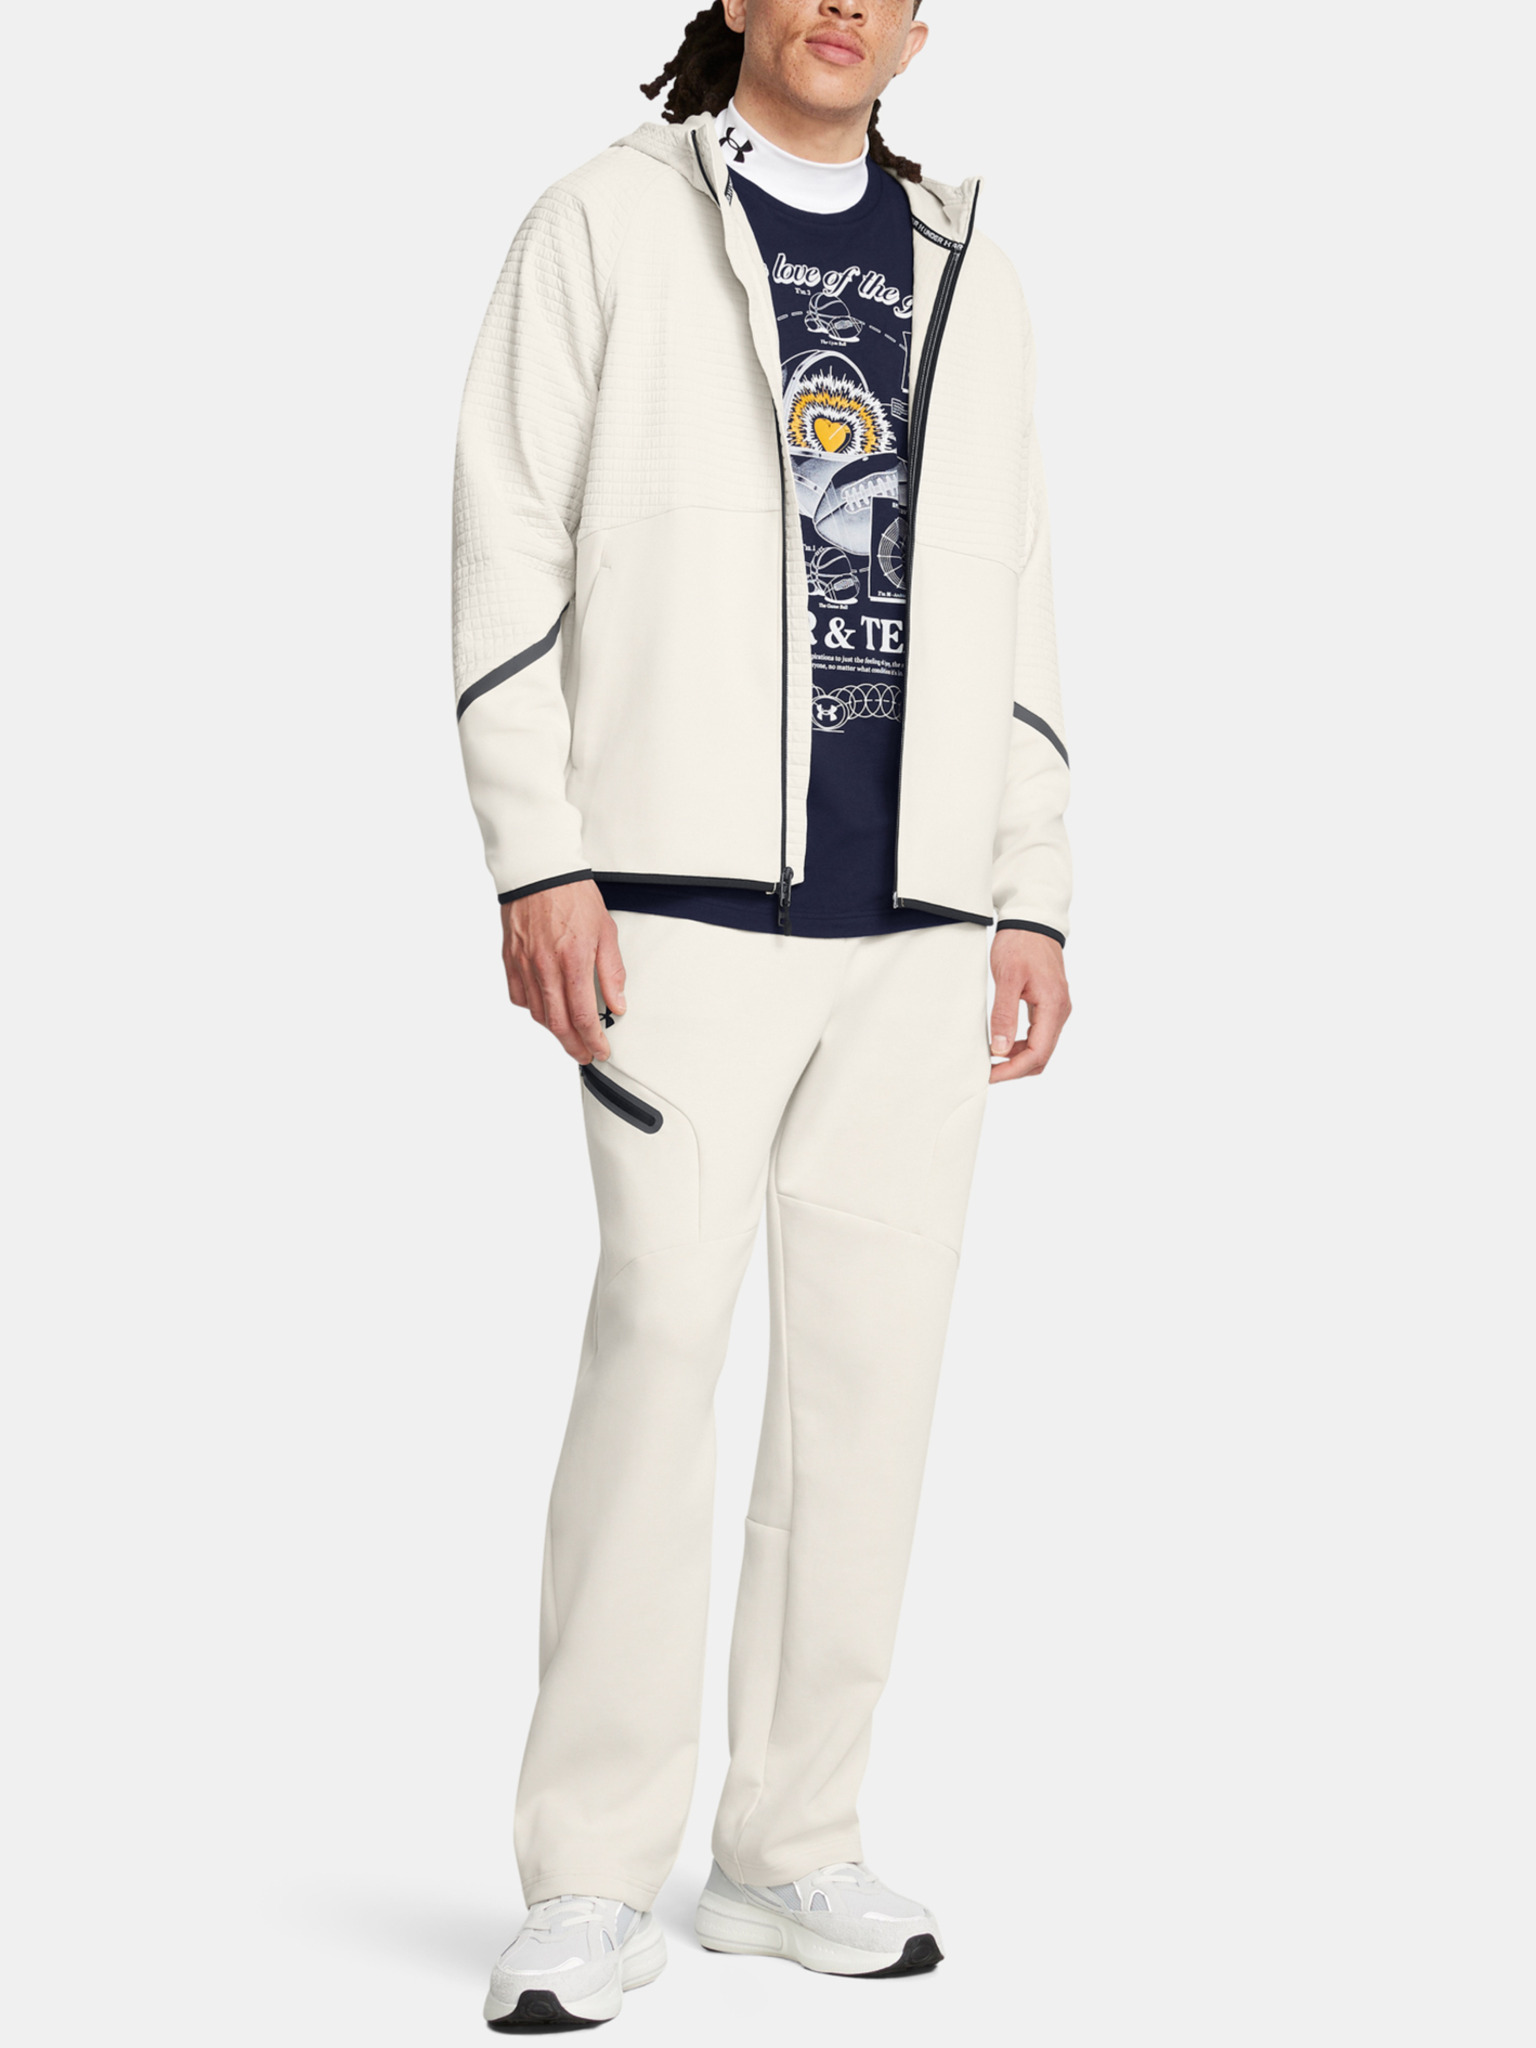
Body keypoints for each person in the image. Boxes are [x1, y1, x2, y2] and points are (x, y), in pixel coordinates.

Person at [452, 0, 1072, 2028]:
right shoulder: (606, 221)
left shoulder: (969, 266)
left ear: (924, 22)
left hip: (921, 921)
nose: (841, 5)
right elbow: (506, 534)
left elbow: (1018, 587)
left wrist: (1031, 887)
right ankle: (588, 1874)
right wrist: (537, 854)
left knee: (867, 1388)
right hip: (674, 908)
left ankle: (790, 1844)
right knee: (658, 1349)